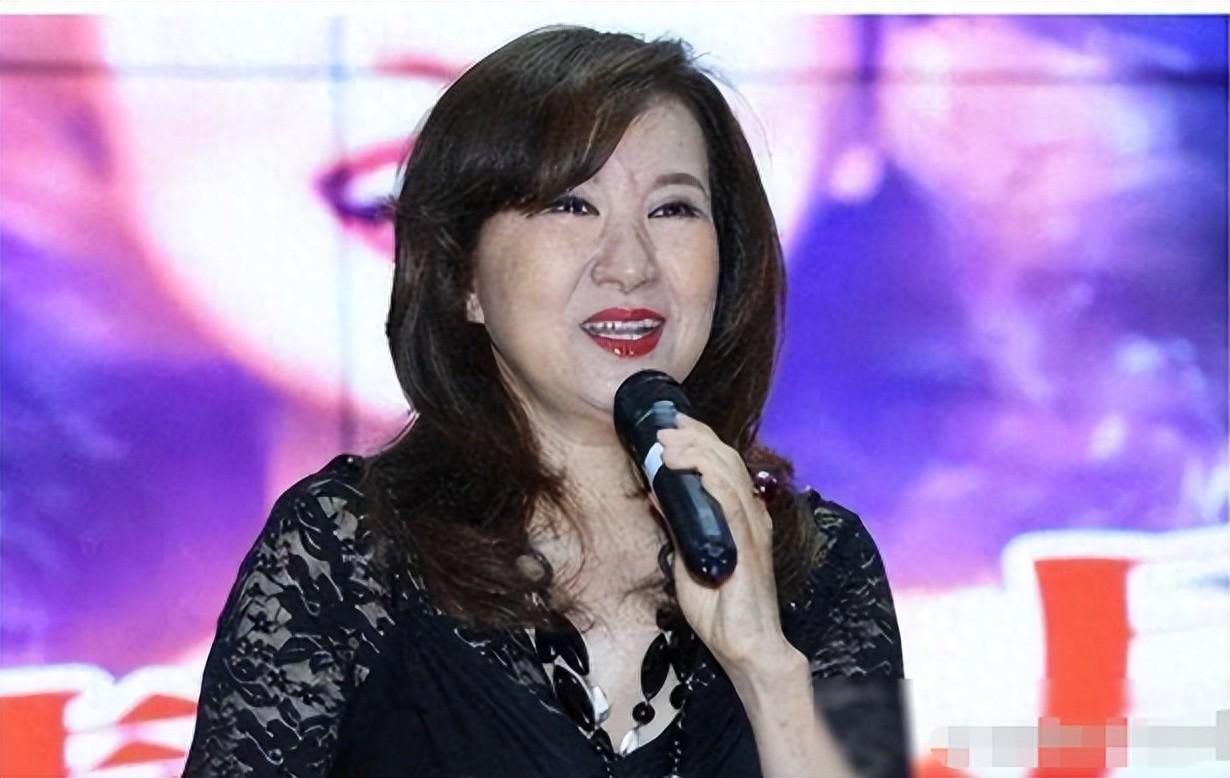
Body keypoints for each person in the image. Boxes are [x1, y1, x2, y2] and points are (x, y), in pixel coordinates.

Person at [183, 25, 906, 778]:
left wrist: (766, 671)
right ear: (464, 277)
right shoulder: (346, 553)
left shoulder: (825, 563)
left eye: (672, 210)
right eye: (571, 205)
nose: (629, 265)